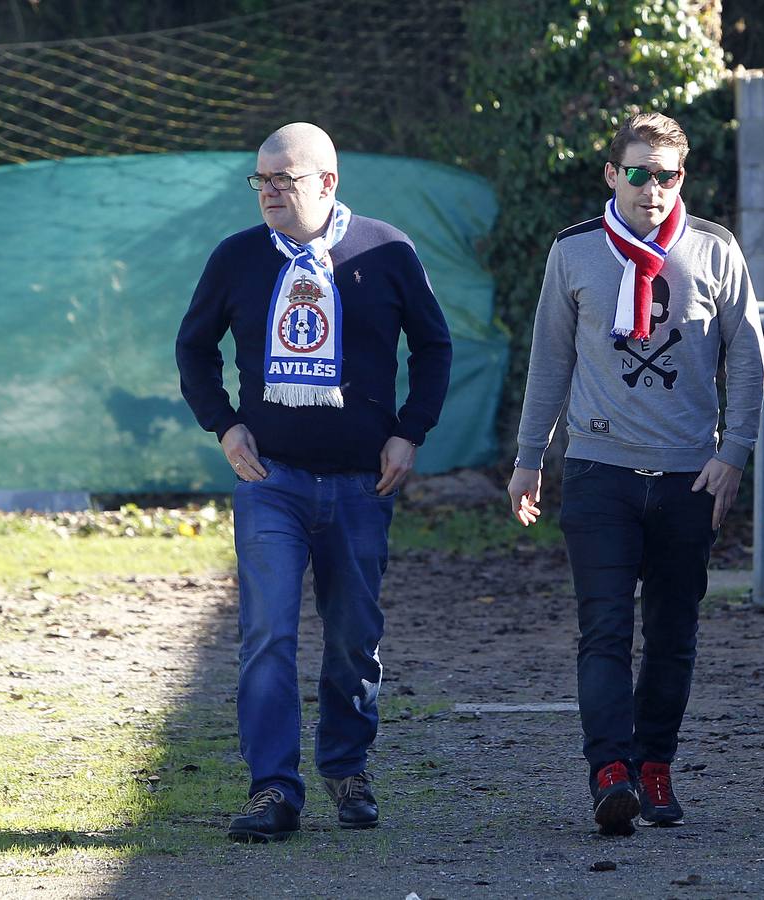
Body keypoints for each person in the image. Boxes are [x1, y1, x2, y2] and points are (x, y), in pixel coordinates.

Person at [176, 122, 452, 843]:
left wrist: (409, 431)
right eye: (260, 180)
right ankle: (272, 788)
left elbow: (432, 345)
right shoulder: (237, 257)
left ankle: (346, 766)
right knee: (267, 632)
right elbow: (194, 346)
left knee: (353, 636)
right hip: (272, 480)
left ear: (326, 183)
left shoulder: (385, 250)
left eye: (283, 179)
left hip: (364, 484)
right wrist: (224, 423)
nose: (268, 191)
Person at [506, 112, 764, 836]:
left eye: (669, 176)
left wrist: (734, 451)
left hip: (690, 474)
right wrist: (531, 457)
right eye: (640, 173)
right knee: (605, 630)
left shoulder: (715, 250)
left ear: (683, 178)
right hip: (598, 471)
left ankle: (655, 766)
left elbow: (744, 357)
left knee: (674, 631)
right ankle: (609, 773)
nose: (654, 189)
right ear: (612, 174)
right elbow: (550, 359)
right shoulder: (575, 252)